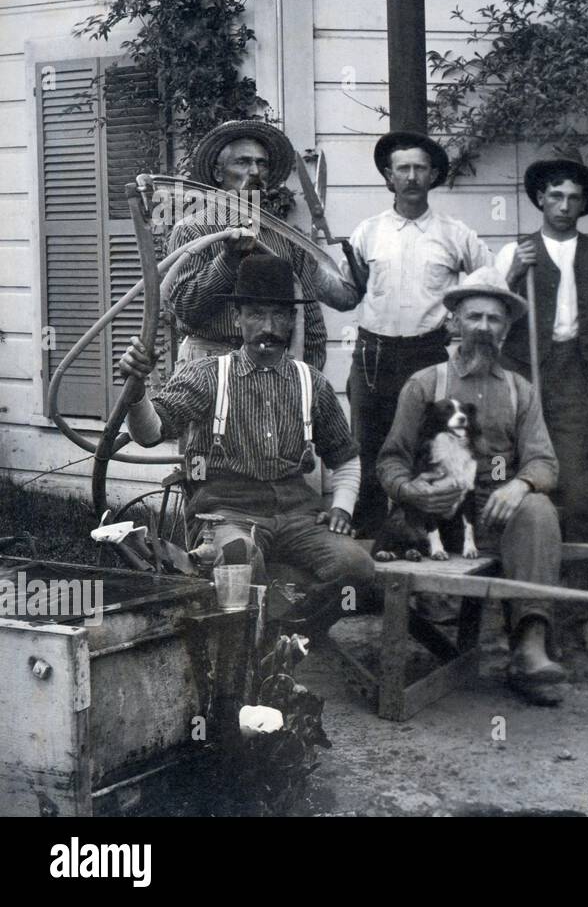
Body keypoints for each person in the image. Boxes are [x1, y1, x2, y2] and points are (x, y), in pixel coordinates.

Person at [117, 255, 374, 632]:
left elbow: (345, 457)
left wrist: (343, 508)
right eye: (255, 314)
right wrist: (135, 390)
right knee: (240, 559)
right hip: (225, 512)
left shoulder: (311, 383)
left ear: (291, 320)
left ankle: (293, 636)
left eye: (277, 315)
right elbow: (151, 432)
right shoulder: (208, 376)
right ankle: (254, 655)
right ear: (237, 317)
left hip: (297, 515)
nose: (267, 327)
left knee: (358, 568)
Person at [375, 267, 570, 706]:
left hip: (496, 514)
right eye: (474, 317)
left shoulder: (521, 391)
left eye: (494, 319)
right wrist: (412, 490)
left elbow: (544, 461)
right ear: (454, 322)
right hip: (436, 517)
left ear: (505, 330)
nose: (483, 327)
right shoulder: (426, 384)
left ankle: (530, 647)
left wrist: (519, 485)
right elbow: (390, 460)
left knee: (539, 509)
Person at [312, 131, 494, 537]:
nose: (411, 176)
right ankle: (372, 535)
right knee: (369, 445)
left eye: (420, 168)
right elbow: (346, 297)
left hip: (429, 354)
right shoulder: (368, 232)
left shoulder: (455, 234)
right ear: (388, 176)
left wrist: (462, 320)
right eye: (403, 169)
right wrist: (308, 269)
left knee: (432, 444)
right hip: (373, 356)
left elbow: (489, 282)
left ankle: (437, 532)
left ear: (432, 176)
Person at [495, 158, 588, 659]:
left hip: (575, 380)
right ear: (540, 199)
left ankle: (587, 613)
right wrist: (513, 272)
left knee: (582, 499)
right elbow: (490, 310)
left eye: (572, 198)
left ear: (583, 204)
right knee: (523, 495)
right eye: (554, 196)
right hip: (523, 379)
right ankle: (524, 617)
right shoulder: (516, 251)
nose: (562, 205)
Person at [167, 120, 341, 370]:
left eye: (262, 163)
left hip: (271, 366)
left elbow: (310, 321)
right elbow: (186, 309)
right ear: (218, 174)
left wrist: (307, 380)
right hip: (208, 364)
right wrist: (227, 261)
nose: (255, 171)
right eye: (243, 162)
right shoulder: (193, 230)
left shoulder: (285, 238)